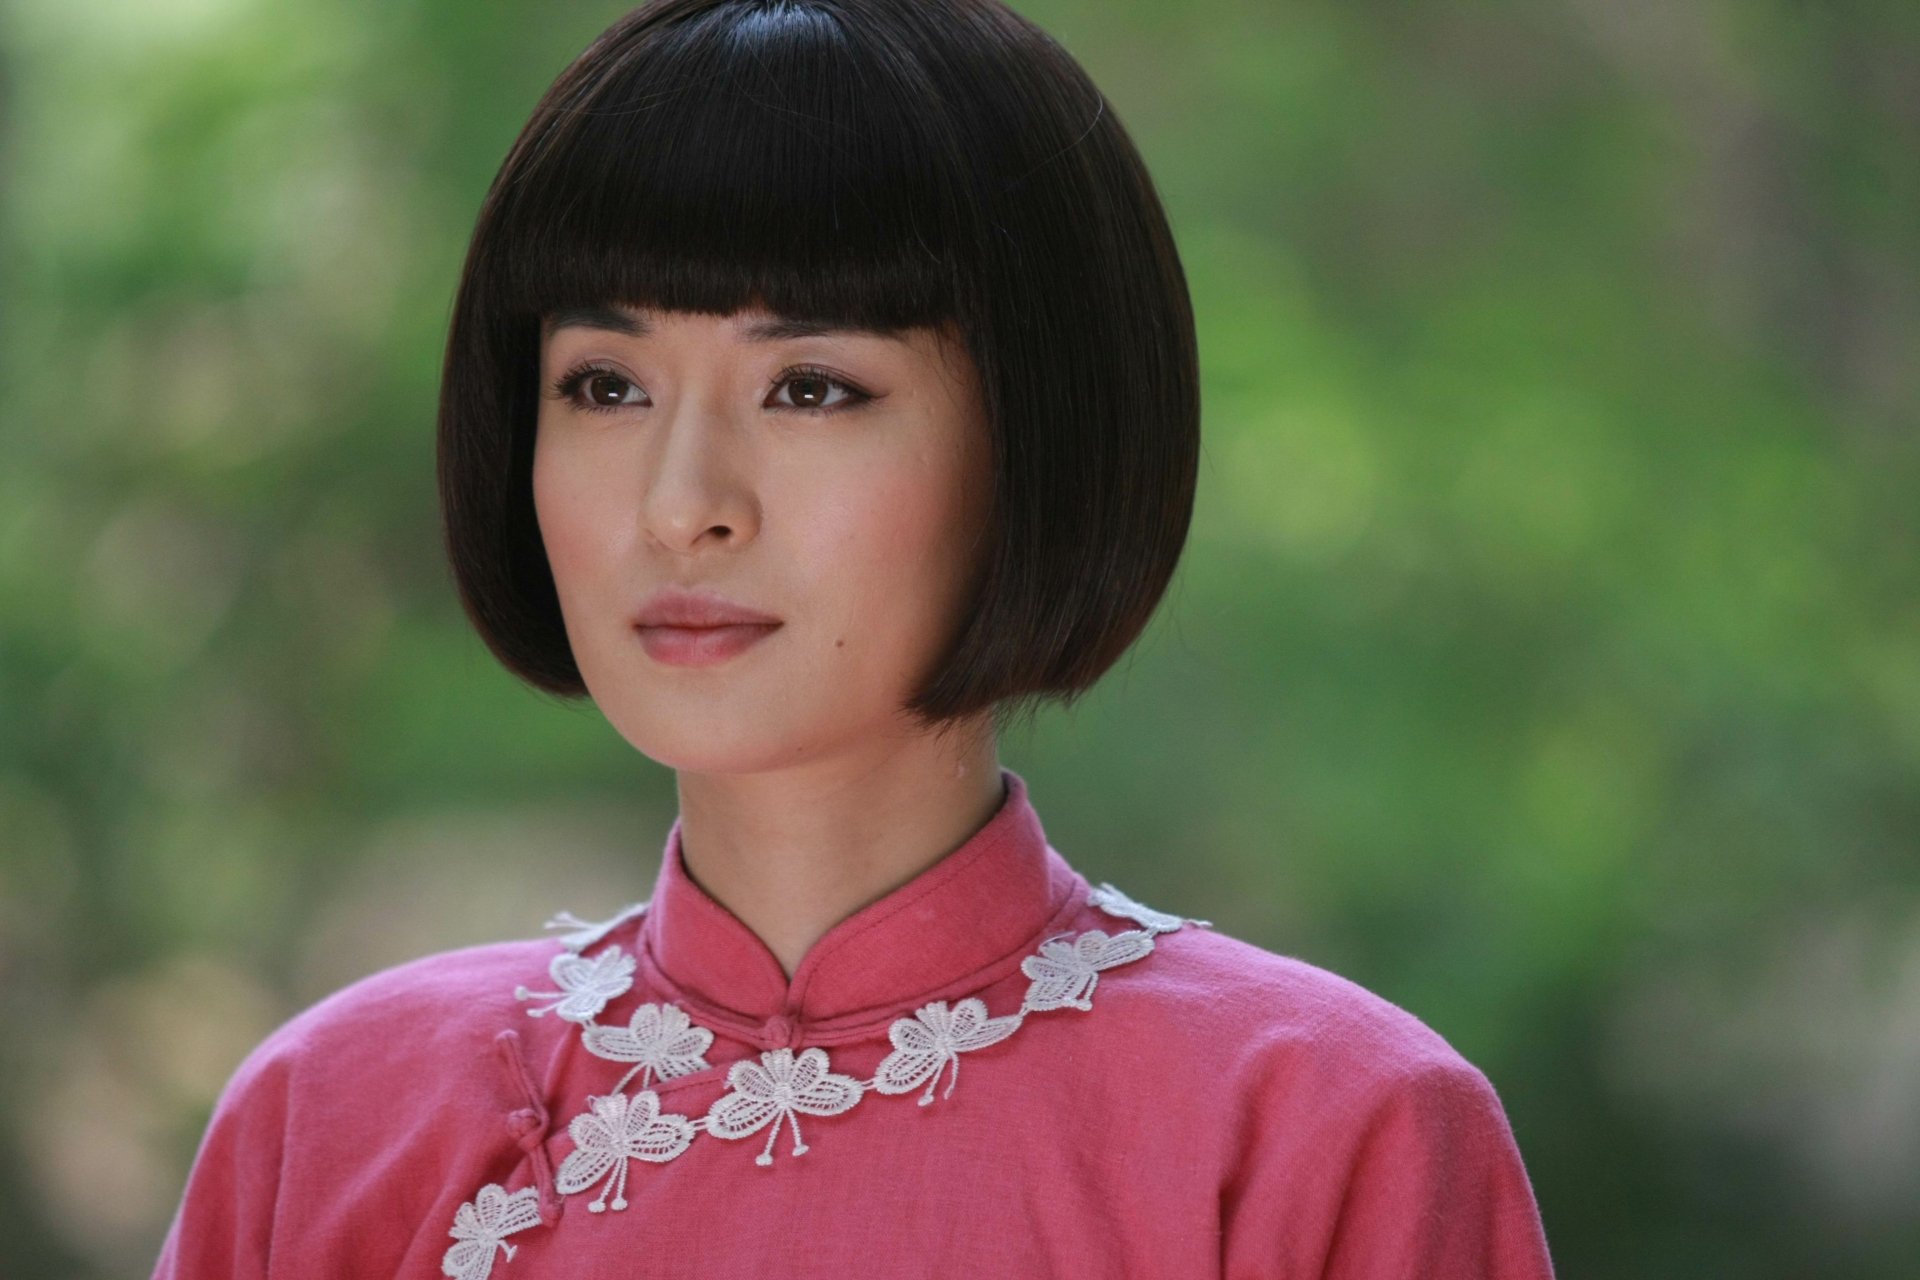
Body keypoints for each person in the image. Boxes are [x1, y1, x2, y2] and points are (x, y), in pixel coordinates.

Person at [152, 1, 1557, 1276]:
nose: (683, 503)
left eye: (811, 386)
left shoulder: (1324, 1132)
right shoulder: (330, 1121)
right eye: (604, 384)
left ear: (1040, 437)